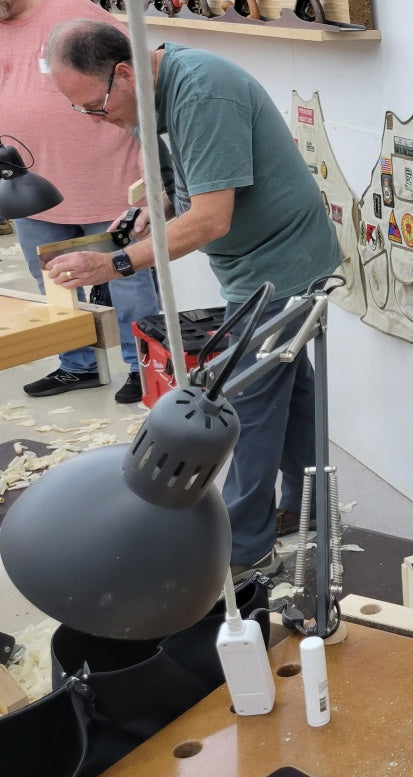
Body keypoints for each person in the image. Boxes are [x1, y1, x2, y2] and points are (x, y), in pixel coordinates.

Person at [43, 20, 343, 579]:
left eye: (94, 106)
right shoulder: (142, 96)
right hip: (252, 264)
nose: (94, 118)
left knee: (247, 405)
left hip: (281, 264)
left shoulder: (202, 92)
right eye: (79, 109)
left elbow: (209, 219)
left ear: (124, 72)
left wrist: (114, 264)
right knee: (291, 392)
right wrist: (150, 211)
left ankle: (246, 545)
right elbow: (184, 185)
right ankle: (311, 511)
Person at [0, 0, 160, 403]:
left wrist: (150, 168)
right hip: (32, 187)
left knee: (127, 278)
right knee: (53, 279)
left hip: (107, 181)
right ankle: (77, 365)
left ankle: (143, 367)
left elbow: (140, 81)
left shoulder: (76, 12)